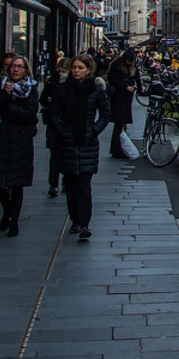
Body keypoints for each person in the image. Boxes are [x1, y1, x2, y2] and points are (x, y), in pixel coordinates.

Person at [50, 54, 110, 239]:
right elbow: (52, 114)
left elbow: (106, 114)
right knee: (71, 183)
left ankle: (84, 223)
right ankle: (75, 220)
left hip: (87, 143)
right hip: (67, 142)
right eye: (74, 67)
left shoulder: (96, 90)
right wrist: (62, 131)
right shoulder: (63, 89)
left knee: (84, 184)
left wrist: (93, 131)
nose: (76, 71)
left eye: (80, 68)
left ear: (88, 69)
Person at [0, 55, 40, 237]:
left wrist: (6, 108)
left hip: (20, 140)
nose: (15, 69)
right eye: (13, 66)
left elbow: (29, 114)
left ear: (25, 70)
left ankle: (14, 221)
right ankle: (8, 211)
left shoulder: (31, 89)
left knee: (16, 183)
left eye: (20, 67)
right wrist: (4, 95)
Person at [39, 57, 72, 197]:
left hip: (66, 123)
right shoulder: (52, 81)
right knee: (54, 156)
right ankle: (53, 184)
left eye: (63, 71)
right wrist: (47, 100)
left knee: (66, 156)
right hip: (53, 124)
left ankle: (65, 182)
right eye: (59, 70)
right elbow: (42, 99)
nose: (60, 73)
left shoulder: (71, 84)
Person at [106, 49, 142, 159]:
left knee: (121, 123)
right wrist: (125, 86)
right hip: (118, 96)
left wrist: (139, 88)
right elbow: (112, 79)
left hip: (126, 96)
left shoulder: (131, 65)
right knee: (119, 122)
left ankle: (118, 148)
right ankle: (117, 149)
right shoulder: (116, 64)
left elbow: (137, 77)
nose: (129, 62)